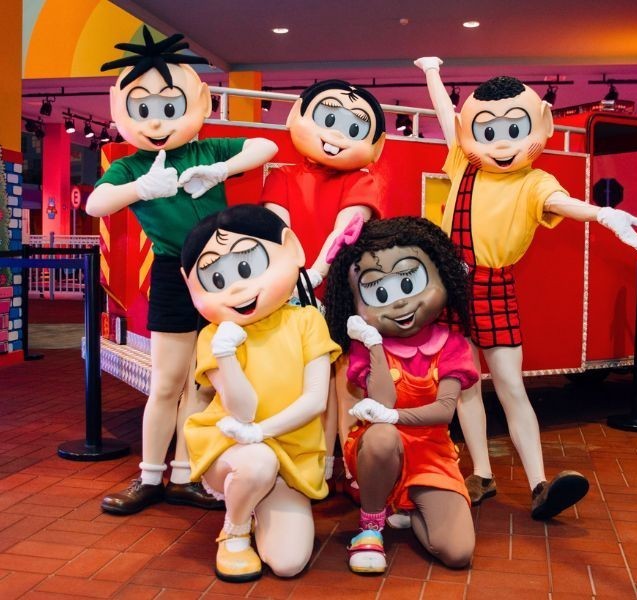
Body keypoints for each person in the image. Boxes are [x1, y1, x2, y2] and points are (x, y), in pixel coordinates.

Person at [415, 57, 637, 520]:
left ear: (540, 124)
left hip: (493, 286)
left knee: (510, 385)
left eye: (514, 129)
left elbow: (562, 202)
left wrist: (602, 214)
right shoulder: (462, 160)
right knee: (464, 384)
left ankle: (540, 485)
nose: (502, 143)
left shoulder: (534, 181)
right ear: (469, 132)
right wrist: (432, 74)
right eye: (488, 131)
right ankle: (482, 474)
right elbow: (446, 115)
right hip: (451, 285)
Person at [86, 27, 277, 514]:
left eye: (169, 106)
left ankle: (186, 474)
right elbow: (95, 203)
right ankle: (150, 476)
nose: (156, 120)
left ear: (199, 103)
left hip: (222, 274)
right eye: (142, 108)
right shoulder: (131, 167)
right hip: (174, 272)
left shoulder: (205, 151)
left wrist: (220, 171)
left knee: (201, 381)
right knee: (168, 381)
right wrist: (140, 190)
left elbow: (264, 146)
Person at [181, 204, 340, 582]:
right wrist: (225, 354)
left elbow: (315, 400)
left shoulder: (307, 321)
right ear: (190, 284)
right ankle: (235, 530)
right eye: (215, 279)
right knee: (257, 464)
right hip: (232, 448)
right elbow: (244, 413)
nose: (236, 287)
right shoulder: (213, 336)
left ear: (292, 249)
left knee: (288, 563)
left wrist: (262, 433)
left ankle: (257, 500)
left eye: (246, 266)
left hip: (290, 456)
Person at [325, 216, 477, 573]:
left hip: (431, 454)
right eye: (379, 293)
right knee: (382, 436)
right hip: (379, 450)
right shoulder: (365, 345)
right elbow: (383, 404)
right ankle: (370, 526)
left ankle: (407, 504)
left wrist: (393, 416)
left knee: (457, 553)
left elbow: (444, 411)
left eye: (409, 282)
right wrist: (375, 345)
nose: (398, 304)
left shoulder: (452, 344)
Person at [262, 79, 387, 501]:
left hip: (341, 294)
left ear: (376, 144)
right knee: (305, 385)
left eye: (354, 129)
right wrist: (296, 279)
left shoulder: (363, 180)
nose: (336, 136)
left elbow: (346, 231)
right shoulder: (281, 177)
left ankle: (351, 467)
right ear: (296, 115)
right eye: (327, 119)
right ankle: (316, 466)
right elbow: (276, 232)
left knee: (345, 381)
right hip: (293, 296)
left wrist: (315, 273)